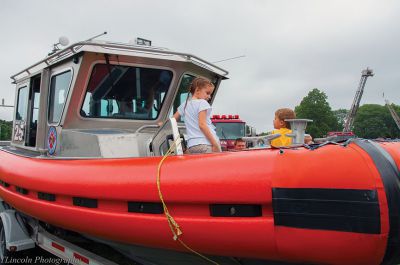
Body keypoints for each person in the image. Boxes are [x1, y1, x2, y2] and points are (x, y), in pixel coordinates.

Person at [173, 77, 221, 154]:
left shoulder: (184, 105)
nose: (209, 97)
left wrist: (161, 124)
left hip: (192, 146)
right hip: (206, 144)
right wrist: (215, 144)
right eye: (207, 93)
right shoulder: (202, 103)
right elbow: (202, 125)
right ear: (197, 90)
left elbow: (172, 120)